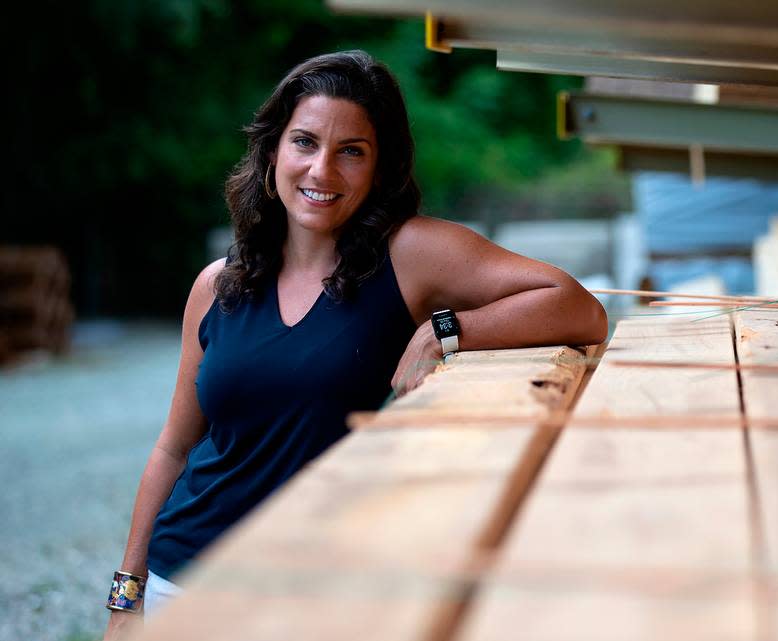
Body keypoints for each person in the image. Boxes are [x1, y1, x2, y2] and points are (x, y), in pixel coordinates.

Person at [103, 50, 607, 638]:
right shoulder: (217, 285)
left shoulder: (409, 255)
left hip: (314, 590)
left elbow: (576, 305)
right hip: (181, 582)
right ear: (272, 152)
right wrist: (126, 594)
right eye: (305, 142)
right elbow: (173, 449)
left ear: (379, 167)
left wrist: (447, 329)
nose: (322, 171)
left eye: (351, 152)